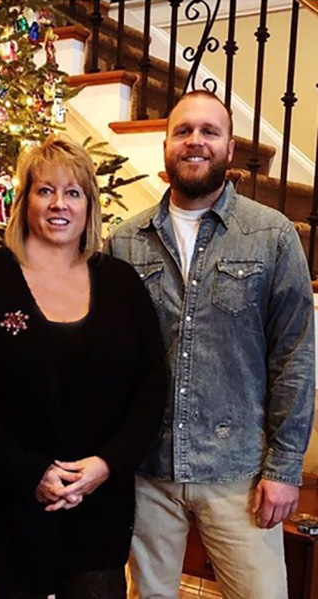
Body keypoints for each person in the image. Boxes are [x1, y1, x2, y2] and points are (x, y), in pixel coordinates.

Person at [106, 90, 315, 599]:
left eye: (209, 131)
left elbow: (295, 358)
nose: (195, 141)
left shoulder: (272, 235)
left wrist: (285, 469)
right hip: (149, 471)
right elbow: (110, 361)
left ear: (228, 148)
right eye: (183, 131)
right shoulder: (124, 241)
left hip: (239, 474)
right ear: (166, 145)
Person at [0, 135, 168, 599]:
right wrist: (30, 473)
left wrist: (106, 464)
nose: (59, 205)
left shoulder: (121, 282)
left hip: (98, 511)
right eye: (44, 190)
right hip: (5, 512)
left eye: (73, 193)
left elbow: (152, 385)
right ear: (25, 200)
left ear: (89, 205)